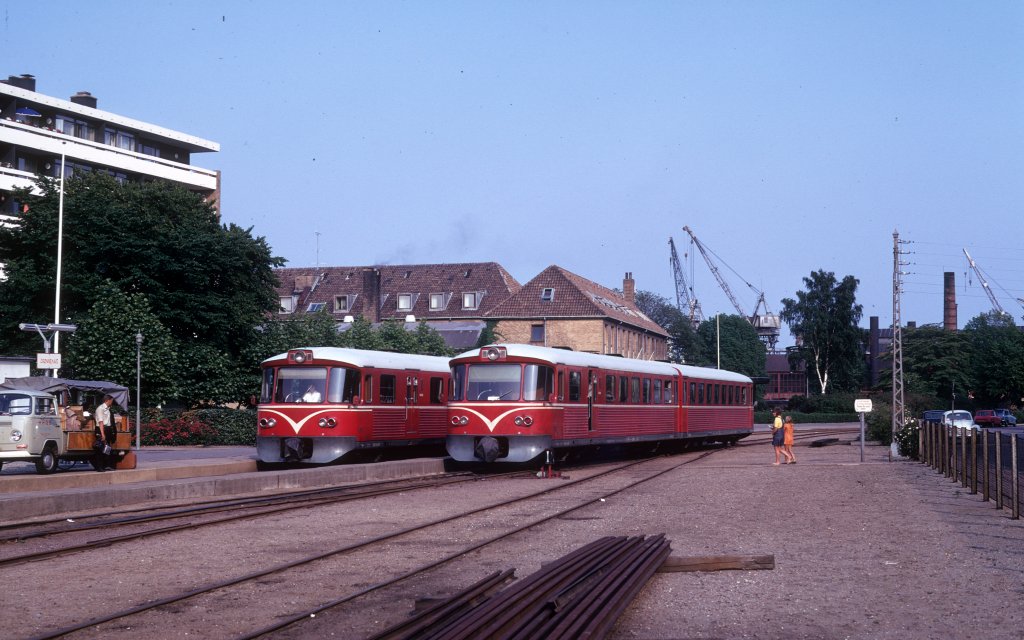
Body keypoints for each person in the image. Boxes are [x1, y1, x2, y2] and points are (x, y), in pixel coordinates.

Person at [93, 394, 115, 471]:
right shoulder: (100, 409)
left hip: (107, 429)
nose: (112, 402)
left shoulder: (108, 409)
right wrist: (102, 434)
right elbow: (100, 422)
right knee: (100, 448)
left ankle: (106, 465)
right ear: (107, 400)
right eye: (111, 400)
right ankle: (99, 467)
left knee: (107, 448)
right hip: (101, 429)